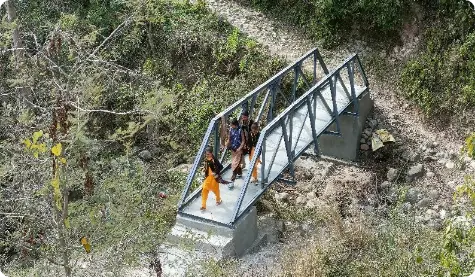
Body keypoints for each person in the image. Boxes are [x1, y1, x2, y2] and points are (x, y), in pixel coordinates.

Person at [200, 146, 223, 211]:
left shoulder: (214, 160)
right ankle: (203, 206)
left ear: (211, 153)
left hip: (214, 179)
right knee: (204, 190)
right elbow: (206, 166)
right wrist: (204, 169)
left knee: (216, 191)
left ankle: (218, 200)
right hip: (207, 179)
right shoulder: (206, 159)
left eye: (208, 154)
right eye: (206, 154)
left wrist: (215, 172)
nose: (207, 155)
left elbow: (221, 167)